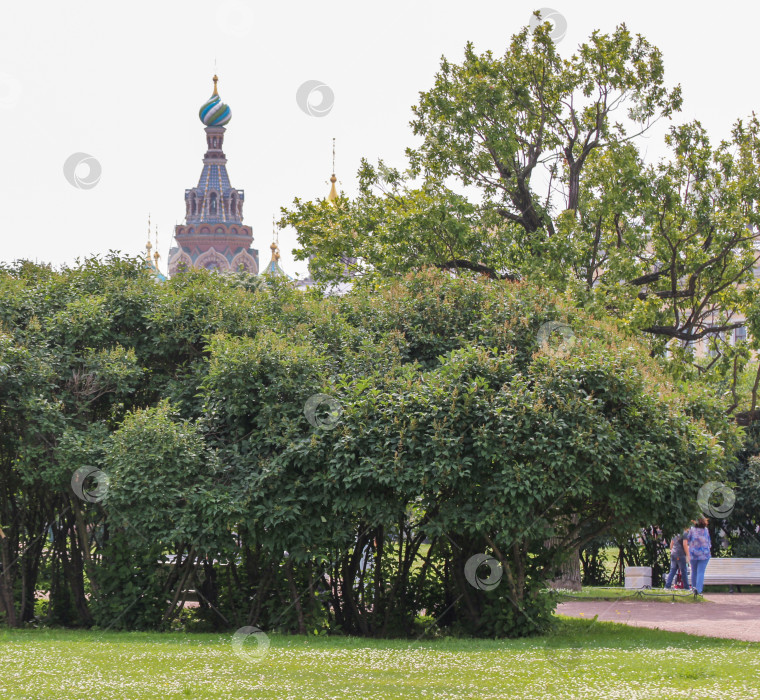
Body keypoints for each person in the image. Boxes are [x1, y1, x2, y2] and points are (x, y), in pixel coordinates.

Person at [687, 517, 712, 594]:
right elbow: (709, 542)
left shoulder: (692, 529)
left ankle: (693, 589)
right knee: (701, 572)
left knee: (694, 572)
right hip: (704, 554)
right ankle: (699, 590)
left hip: (693, 554)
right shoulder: (706, 530)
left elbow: (687, 540)